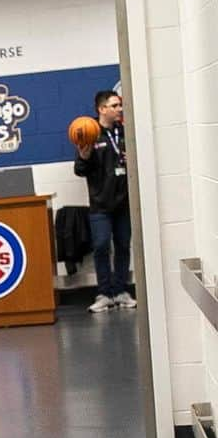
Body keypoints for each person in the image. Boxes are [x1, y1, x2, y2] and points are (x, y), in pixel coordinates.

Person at [73, 90, 136, 313]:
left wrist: (133, 161)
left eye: (120, 105)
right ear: (101, 109)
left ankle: (120, 291)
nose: (119, 109)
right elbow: (79, 171)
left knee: (122, 247)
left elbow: (135, 167)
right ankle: (104, 294)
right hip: (100, 204)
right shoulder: (88, 133)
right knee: (100, 247)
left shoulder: (125, 132)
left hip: (123, 203)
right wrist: (84, 157)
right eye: (114, 105)